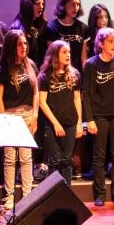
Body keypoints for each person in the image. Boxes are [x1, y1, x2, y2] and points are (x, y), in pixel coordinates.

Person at [83, 27, 114, 206]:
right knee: (99, 155)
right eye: (110, 41)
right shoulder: (91, 64)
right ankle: (100, 194)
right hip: (99, 115)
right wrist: (90, 119)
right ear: (101, 44)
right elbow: (87, 94)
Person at [0, 30, 39, 209]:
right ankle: (9, 196)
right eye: (20, 44)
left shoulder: (31, 65)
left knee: (26, 158)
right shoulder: (4, 68)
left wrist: (35, 115)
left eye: (25, 43)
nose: (24, 47)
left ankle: (27, 196)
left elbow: (36, 92)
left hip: (27, 114)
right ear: (12, 46)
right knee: (10, 159)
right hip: (10, 115)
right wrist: (3, 120)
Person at [38, 40, 82, 183]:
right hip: (52, 124)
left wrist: (79, 123)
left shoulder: (74, 74)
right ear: (55, 55)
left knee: (67, 160)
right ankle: (53, 192)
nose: (68, 55)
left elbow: (77, 99)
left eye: (69, 52)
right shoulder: (45, 76)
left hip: (70, 122)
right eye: (64, 52)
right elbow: (42, 102)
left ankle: (67, 191)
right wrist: (56, 124)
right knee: (55, 159)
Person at [45, 0, 87, 72]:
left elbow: (83, 57)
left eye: (78, 4)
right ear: (63, 5)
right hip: (58, 73)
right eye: (72, 4)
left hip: (77, 74)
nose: (76, 8)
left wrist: (85, 75)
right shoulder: (51, 27)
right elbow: (53, 56)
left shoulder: (83, 28)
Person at [9, 0, 48, 67]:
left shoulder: (42, 24)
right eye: (37, 4)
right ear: (28, 5)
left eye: (42, 4)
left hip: (40, 70)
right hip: (25, 69)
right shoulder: (17, 28)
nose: (41, 7)